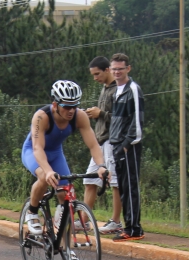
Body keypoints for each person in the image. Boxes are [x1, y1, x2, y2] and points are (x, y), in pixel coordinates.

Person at [21, 80, 108, 236]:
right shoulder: (42, 117)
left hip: (55, 153)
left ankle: (63, 244)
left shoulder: (80, 116)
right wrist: (48, 171)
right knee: (43, 177)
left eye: (75, 106)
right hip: (33, 152)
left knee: (66, 195)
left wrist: (102, 166)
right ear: (55, 105)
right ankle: (32, 212)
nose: (71, 110)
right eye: (67, 106)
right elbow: (37, 148)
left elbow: (94, 145)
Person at [108, 53, 145, 241]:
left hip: (128, 147)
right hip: (116, 146)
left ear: (128, 69)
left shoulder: (133, 89)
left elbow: (137, 122)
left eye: (120, 69)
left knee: (130, 187)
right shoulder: (117, 91)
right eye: (114, 69)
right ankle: (128, 226)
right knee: (123, 187)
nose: (117, 72)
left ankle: (134, 229)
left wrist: (125, 145)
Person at [85, 56, 122, 234]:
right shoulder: (105, 88)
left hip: (112, 141)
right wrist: (95, 114)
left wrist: (100, 114)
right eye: (93, 75)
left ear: (107, 70)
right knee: (89, 179)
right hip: (99, 142)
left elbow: (120, 119)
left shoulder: (119, 90)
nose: (95, 78)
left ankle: (116, 221)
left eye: (97, 74)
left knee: (115, 182)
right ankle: (84, 221)